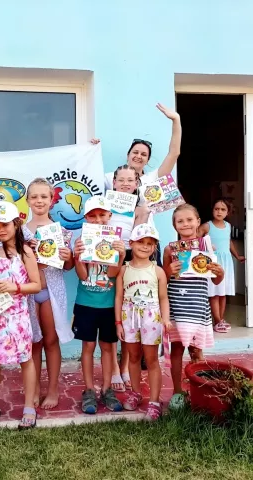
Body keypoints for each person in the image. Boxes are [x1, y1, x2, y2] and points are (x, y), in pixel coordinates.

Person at [0, 202, 41, 430]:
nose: (0, 230)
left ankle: (29, 407)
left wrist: (16, 287)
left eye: (4, 225)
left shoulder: (26, 253)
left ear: (16, 224)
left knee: (26, 359)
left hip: (19, 317)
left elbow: (36, 285)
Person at [163, 204, 224, 411]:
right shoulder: (170, 250)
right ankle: (177, 391)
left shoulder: (207, 248)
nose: (185, 224)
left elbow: (215, 280)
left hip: (198, 306)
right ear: (174, 225)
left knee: (197, 351)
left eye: (189, 220)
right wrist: (169, 270)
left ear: (198, 221)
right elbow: (163, 279)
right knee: (177, 350)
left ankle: (200, 390)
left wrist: (220, 272)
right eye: (180, 221)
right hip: (177, 306)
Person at [23, 178, 75, 409]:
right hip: (28, 292)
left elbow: (68, 267)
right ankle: (34, 388)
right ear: (27, 201)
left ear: (52, 200)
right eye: (34, 196)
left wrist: (68, 257)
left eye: (44, 196)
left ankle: (52, 389)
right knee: (34, 342)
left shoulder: (60, 231)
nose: (39, 201)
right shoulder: (20, 232)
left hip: (52, 291)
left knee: (51, 341)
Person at [72, 196, 125, 414]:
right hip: (85, 303)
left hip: (108, 305)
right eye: (92, 216)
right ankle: (88, 390)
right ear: (86, 218)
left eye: (102, 215)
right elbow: (83, 276)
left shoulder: (116, 240)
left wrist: (120, 255)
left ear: (109, 215)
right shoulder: (81, 240)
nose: (98, 220)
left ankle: (106, 388)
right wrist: (77, 256)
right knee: (88, 346)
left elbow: (112, 273)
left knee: (106, 347)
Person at [115, 223, 170, 420]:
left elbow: (163, 297)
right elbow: (118, 297)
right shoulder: (123, 270)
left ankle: (154, 401)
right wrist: (118, 323)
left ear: (154, 247)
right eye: (141, 242)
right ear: (131, 243)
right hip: (129, 317)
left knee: (152, 359)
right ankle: (136, 393)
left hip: (151, 318)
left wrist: (166, 319)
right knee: (133, 356)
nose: (145, 246)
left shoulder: (158, 271)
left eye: (150, 243)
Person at [105, 164, 142, 392]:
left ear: (136, 184)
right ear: (114, 182)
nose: (126, 184)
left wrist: (143, 214)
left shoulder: (140, 208)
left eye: (130, 180)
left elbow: (143, 238)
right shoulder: (104, 205)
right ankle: (114, 370)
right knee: (112, 313)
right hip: (108, 259)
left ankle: (125, 366)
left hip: (131, 259)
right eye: (121, 180)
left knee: (129, 314)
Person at [198, 199, 245, 334]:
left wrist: (237, 256)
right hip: (213, 262)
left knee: (223, 293)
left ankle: (221, 319)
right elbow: (195, 241)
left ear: (228, 212)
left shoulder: (228, 226)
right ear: (212, 210)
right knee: (214, 292)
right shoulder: (206, 226)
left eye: (223, 209)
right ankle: (217, 320)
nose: (219, 212)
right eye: (216, 209)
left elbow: (228, 242)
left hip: (226, 262)